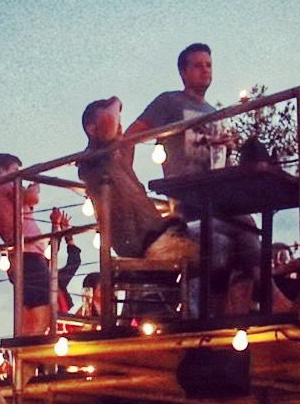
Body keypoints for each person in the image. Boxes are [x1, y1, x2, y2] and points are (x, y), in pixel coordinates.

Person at [77, 97, 198, 263]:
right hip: (145, 243)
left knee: (228, 233)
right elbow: (110, 125)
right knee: (219, 243)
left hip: (156, 236)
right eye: (114, 119)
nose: (119, 125)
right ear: (92, 129)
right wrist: (116, 101)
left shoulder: (117, 159)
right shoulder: (95, 158)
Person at [125, 43, 236, 177]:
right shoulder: (169, 101)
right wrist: (127, 176)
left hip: (214, 186)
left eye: (208, 65)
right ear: (183, 72)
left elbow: (221, 161)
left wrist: (227, 149)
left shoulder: (214, 112)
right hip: (182, 189)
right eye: (198, 66)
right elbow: (130, 137)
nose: (205, 70)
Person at [0, 153, 51, 336]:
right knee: (40, 307)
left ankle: (29, 347)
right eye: (15, 170)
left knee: (32, 306)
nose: (18, 176)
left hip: (24, 253)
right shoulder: (4, 186)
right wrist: (35, 185)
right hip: (28, 253)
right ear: (3, 170)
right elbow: (31, 198)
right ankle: (31, 348)